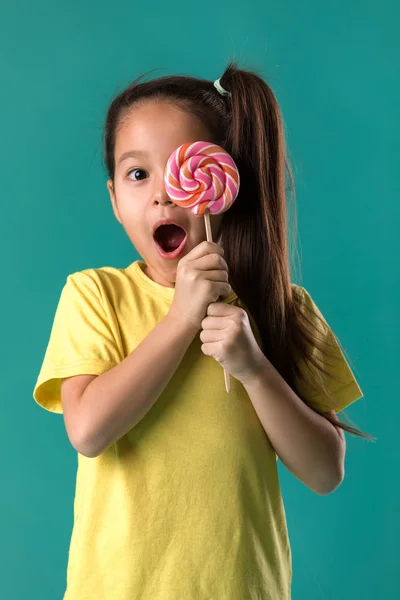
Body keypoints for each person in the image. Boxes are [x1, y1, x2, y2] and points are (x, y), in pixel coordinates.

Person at [33, 61, 372, 600]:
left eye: (179, 172)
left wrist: (254, 368)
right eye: (137, 174)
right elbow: (89, 431)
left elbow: (326, 471)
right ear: (115, 200)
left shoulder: (283, 308)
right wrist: (180, 319)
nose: (161, 196)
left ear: (221, 185)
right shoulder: (94, 295)